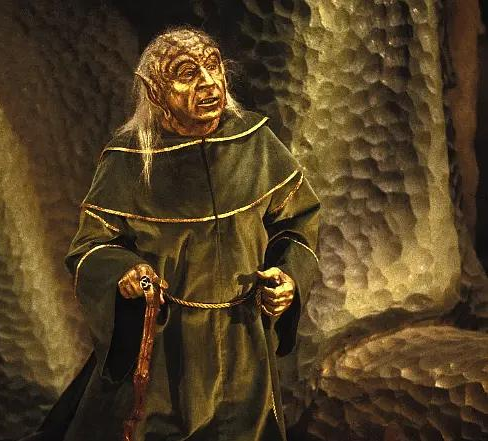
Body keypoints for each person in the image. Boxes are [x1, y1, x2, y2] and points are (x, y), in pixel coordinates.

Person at [29, 26, 321, 441]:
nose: (209, 83)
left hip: (243, 344)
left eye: (214, 66)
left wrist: (289, 277)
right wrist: (124, 272)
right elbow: (91, 246)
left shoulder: (256, 143)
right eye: (187, 73)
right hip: (167, 352)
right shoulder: (128, 160)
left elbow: (298, 222)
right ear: (155, 90)